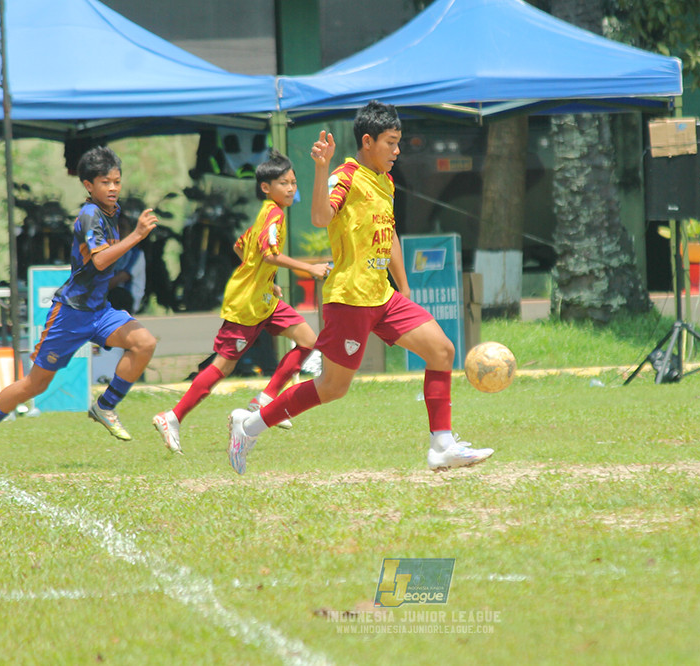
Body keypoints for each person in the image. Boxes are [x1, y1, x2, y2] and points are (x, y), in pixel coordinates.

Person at [227, 101, 494, 474]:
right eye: (391, 142)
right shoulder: (344, 177)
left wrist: (403, 286)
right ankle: (250, 425)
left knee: (441, 350)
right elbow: (320, 217)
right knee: (334, 387)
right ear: (367, 141)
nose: (397, 151)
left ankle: (442, 446)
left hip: (382, 296)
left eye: (399, 142)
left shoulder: (385, 180)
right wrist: (321, 170)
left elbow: (390, 233)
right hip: (349, 300)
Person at [0, 146, 159, 470]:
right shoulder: (90, 214)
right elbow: (101, 259)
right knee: (34, 385)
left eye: (117, 181)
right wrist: (136, 236)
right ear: (88, 185)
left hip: (99, 309)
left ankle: (105, 406)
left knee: (144, 342)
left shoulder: (112, 211)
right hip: (71, 313)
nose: (113, 188)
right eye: (105, 182)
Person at [152, 150, 329, 455]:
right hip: (247, 305)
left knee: (308, 340)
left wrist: (267, 280)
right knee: (223, 365)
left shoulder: (268, 213)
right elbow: (269, 254)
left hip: (263, 299)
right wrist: (309, 268)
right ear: (266, 187)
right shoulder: (273, 214)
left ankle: (266, 399)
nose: (291, 188)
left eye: (293, 182)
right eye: (283, 183)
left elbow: (241, 247)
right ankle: (173, 417)